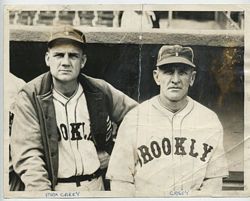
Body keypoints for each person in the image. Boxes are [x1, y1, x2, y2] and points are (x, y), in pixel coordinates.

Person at [10, 26, 137, 191]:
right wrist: (42, 195)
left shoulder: (98, 89)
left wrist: (115, 153)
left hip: (95, 186)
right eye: (59, 55)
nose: (65, 62)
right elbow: (28, 155)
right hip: (55, 188)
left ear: (82, 61)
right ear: (48, 59)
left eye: (73, 56)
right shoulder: (31, 95)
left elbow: (137, 116)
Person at [106, 45, 229, 196]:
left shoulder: (209, 120)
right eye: (168, 72)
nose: (175, 80)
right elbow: (120, 180)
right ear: (156, 76)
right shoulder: (134, 119)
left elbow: (213, 182)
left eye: (182, 72)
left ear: (192, 78)